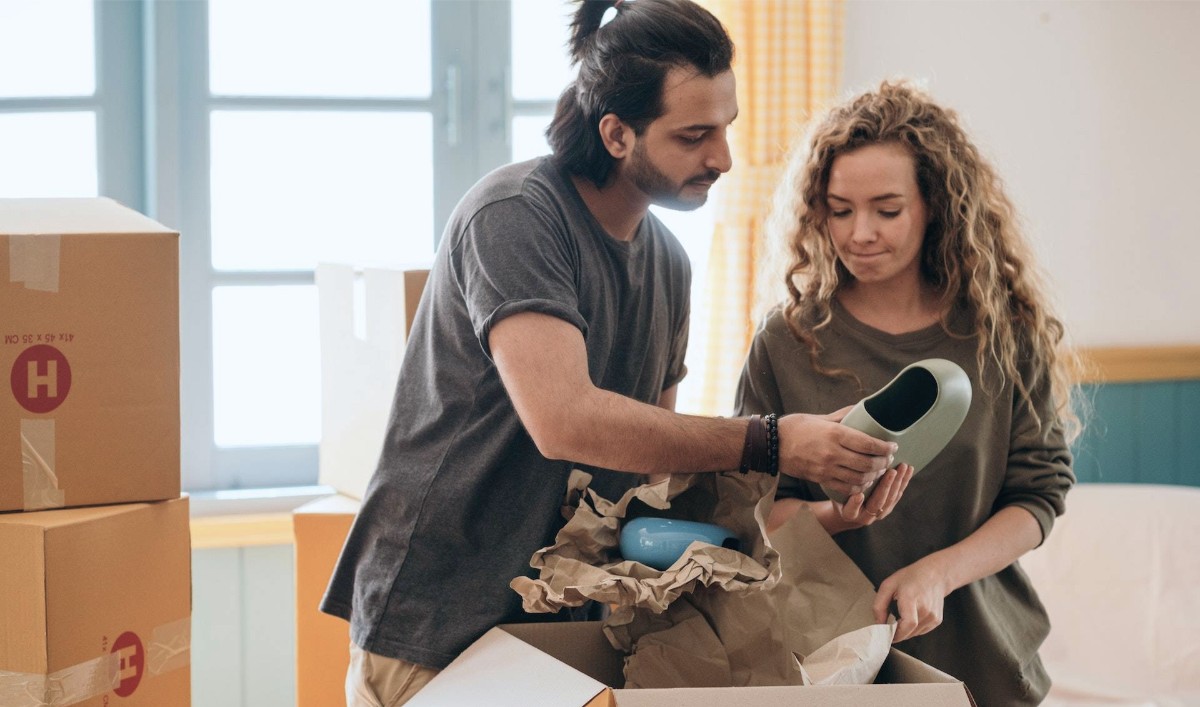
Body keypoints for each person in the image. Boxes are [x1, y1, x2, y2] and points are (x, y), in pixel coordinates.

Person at [321, 2, 904, 705]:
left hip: (559, 634)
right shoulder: (515, 216)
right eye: (694, 135)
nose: (721, 157)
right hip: (438, 622)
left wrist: (820, 498)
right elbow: (564, 419)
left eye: (726, 129)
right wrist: (774, 442)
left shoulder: (667, 266)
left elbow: (647, 476)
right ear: (617, 133)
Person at [735, 80, 1082, 705]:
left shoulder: (1002, 333)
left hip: (982, 664)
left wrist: (938, 575)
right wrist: (836, 518)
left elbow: (1039, 494)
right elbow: (753, 517)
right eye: (840, 209)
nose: (860, 233)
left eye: (886, 210)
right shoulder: (785, 343)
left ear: (936, 205)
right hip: (823, 665)